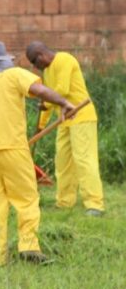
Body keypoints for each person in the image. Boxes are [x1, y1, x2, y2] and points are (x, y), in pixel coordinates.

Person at [0, 41, 77, 266]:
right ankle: (28, 246)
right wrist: (64, 102)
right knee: (26, 198)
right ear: (5, 61)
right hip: (13, 149)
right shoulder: (14, 75)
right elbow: (39, 90)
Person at [26, 41, 104, 217]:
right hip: (64, 120)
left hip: (81, 116)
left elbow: (61, 90)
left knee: (84, 159)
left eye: (33, 62)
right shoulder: (47, 71)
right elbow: (50, 100)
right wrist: (40, 126)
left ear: (41, 56)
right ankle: (65, 201)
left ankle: (94, 204)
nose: (34, 67)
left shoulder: (64, 59)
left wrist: (44, 99)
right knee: (62, 161)